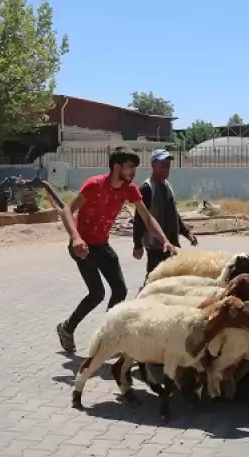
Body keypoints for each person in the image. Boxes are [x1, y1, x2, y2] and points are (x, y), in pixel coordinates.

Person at [55, 147, 177, 353]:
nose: (133, 172)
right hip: (82, 247)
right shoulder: (94, 185)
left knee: (120, 290)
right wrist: (75, 238)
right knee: (97, 294)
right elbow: (67, 210)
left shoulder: (130, 189)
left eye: (135, 168)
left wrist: (164, 240)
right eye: (130, 167)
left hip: (102, 245)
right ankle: (67, 328)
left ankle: (107, 337)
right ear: (116, 167)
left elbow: (147, 218)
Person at [132, 149, 198, 276]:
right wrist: (137, 244)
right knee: (154, 278)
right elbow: (139, 218)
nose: (166, 168)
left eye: (168, 165)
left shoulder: (167, 186)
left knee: (171, 278)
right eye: (163, 165)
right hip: (156, 245)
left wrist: (186, 232)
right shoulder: (147, 188)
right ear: (153, 165)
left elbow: (174, 214)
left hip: (172, 243)